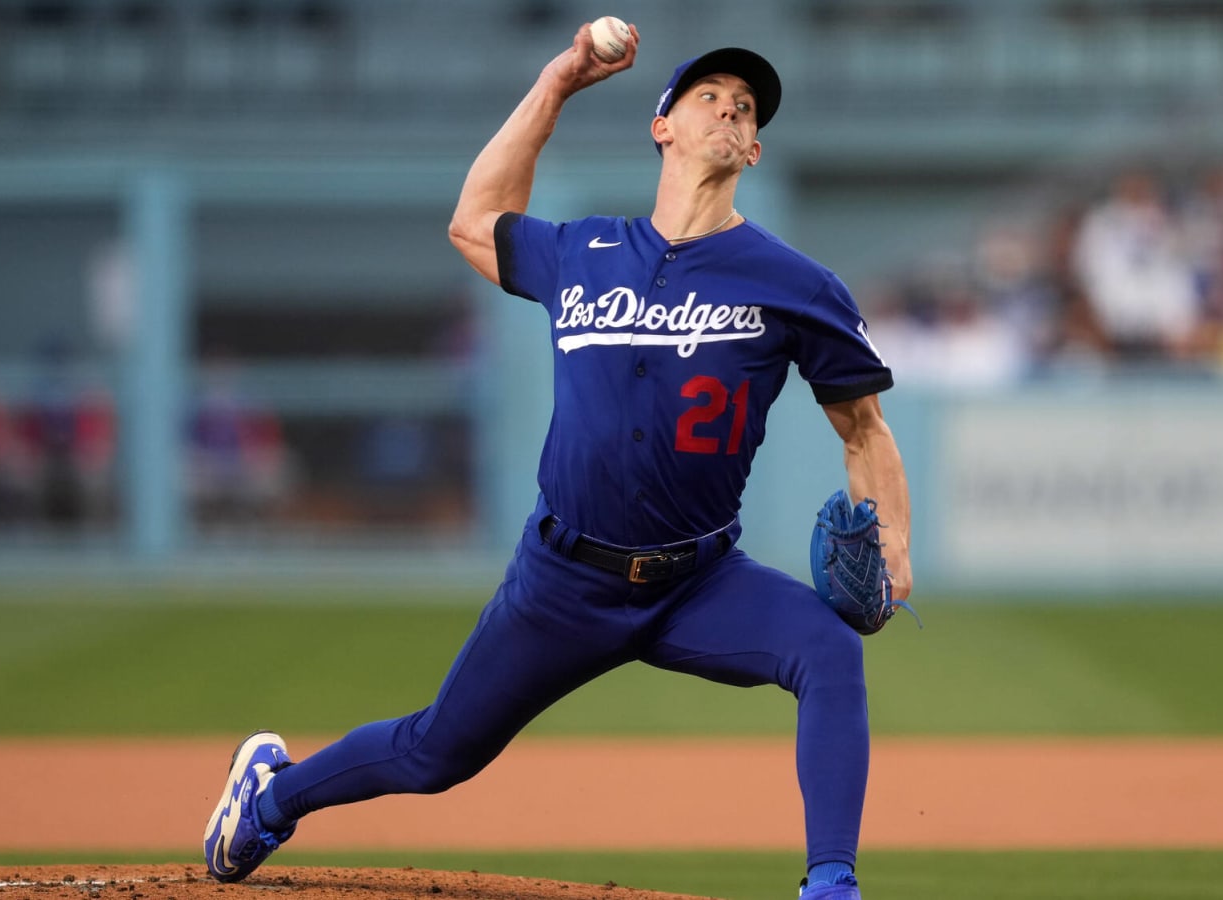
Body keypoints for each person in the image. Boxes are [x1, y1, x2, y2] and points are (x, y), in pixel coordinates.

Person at [202, 23, 911, 900]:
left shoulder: (795, 282)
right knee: (436, 753)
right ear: (664, 125)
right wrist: (561, 79)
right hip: (563, 582)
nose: (731, 107)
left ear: (754, 149)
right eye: (710, 97)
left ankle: (831, 885)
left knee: (830, 651)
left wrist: (895, 547)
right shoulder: (582, 252)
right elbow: (473, 219)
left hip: (699, 581)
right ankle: (269, 800)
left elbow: (864, 428)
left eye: (746, 107)